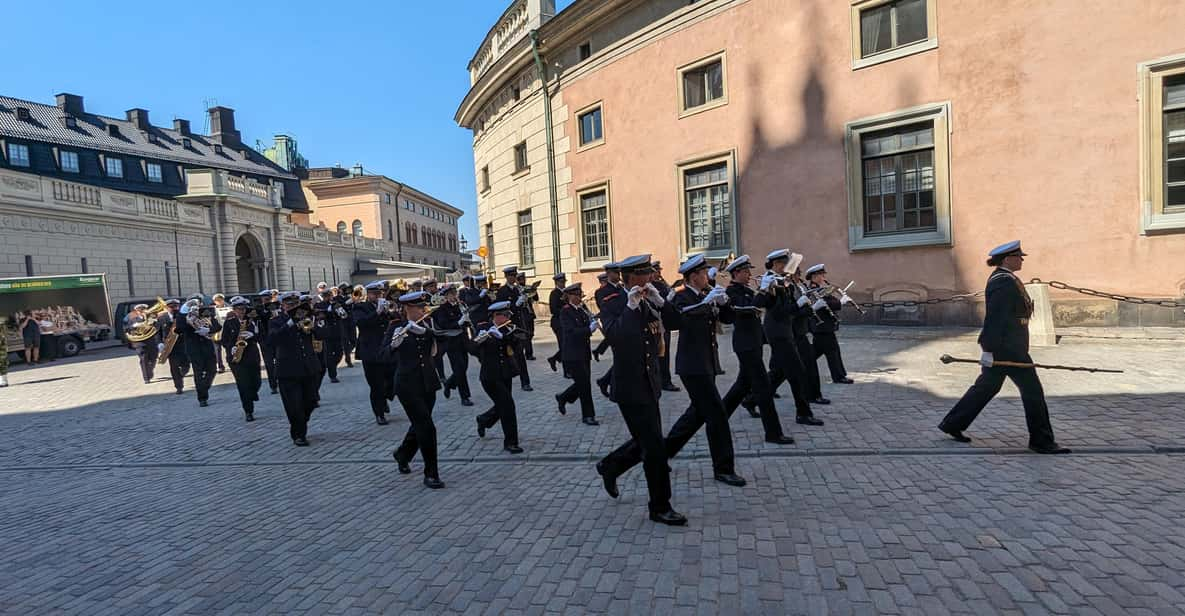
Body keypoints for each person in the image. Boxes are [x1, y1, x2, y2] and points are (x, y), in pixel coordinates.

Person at [939, 241, 1071, 454]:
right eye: (1019, 256)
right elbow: (995, 319)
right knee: (1033, 392)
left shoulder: (1007, 279)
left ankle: (953, 424)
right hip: (1008, 349)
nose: (1022, 260)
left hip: (1009, 346)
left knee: (986, 388)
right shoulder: (1003, 282)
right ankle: (1041, 441)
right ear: (1008, 259)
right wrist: (988, 349)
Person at [595, 254, 687, 526]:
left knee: (648, 441)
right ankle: (660, 506)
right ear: (632, 277)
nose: (652, 278)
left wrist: (661, 303)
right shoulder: (612, 301)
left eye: (651, 274)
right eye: (646, 274)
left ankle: (611, 465)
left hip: (650, 382)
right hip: (630, 386)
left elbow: (676, 323)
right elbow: (617, 338)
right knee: (654, 448)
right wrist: (631, 307)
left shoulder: (649, 296)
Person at [660, 254, 745, 486]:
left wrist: (723, 302)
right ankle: (724, 468)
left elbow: (728, 319)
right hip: (692, 367)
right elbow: (682, 320)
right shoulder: (682, 298)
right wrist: (707, 301)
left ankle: (662, 454)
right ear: (693, 276)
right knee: (717, 415)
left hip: (707, 364)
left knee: (696, 416)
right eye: (703, 273)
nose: (708, 277)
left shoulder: (706, 294)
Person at [720, 255, 797, 444]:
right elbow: (749, 307)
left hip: (753, 343)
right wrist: (762, 290)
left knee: (741, 386)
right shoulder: (731, 292)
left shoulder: (745, 289)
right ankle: (773, 433)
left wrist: (776, 289)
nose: (749, 275)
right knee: (763, 390)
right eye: (746, 272)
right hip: (745, 345)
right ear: (736, 273)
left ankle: (718, 418)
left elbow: (765, 305)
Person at [385, 291, 446, 488]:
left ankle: (402, 453)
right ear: (408, 309)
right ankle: (431, 473)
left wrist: (427, 333)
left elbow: (444, 343)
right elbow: (382, 355)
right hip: (407, 384)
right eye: (420, 307)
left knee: (420, 424)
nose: (423, 310)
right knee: (427, 427)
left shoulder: (428, 324)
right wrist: (394, 345)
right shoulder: (396, 326)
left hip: (428, 381)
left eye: (424, 307)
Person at [761, 250, 823, 426]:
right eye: (785, 263)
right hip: (778, 332)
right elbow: (780, 311)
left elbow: (788, 309)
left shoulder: (783, 280)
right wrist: (798, 304)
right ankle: (803, 413)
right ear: (776, 264)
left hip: (786, 330)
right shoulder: (771, 280)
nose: (789, 268)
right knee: (797, 372)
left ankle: (750, 399)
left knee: (781, 371)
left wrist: (802, 304)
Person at [268, 293, 325, 446]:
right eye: (289, 305)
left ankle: (301, 423)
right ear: (282, 306)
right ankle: (298, 434)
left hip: (308, 367)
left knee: (311, 401)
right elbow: (273, 339)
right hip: (288, 369)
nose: (292, 307)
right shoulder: (276, 321)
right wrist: (290, 324)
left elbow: (320, 335)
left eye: (295, 304)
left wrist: (314, 325)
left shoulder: (306, 318)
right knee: (294, 405)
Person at [471, 301, 524, 454]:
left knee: (503, 405)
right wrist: (479, 341)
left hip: (506, 373)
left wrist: (502, 337)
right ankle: (511, 442)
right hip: (490, 376)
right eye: (505, 315)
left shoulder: (510, 328)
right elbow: (472, 349)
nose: (508, 318)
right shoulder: (483, 328)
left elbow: (517, 346)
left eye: (508, 315)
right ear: (496, 316)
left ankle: (484, 420)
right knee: (508, 406)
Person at [555, 282, 599, 425]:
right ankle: (588, 415)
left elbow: (585, 325)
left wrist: (593, 322)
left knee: (583, 383)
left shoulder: (581, 310)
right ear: (570, 296)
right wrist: (589, 329)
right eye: (578, 295)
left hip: (584, 352)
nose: (580, 298)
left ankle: (563, 397)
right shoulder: (565, 312)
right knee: (585, 385)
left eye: (580, 295)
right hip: (573, 354)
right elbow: (571, 332)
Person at [804, 264, 854, 385]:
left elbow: (830, 301)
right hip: (821, 327)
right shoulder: (813, 290)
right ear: (814, 276)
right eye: (821, 274)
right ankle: (838, 376)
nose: (824, 276)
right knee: (832, 351)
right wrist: (841, 302)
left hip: (824, 326)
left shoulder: (821, 288)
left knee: (819, 351)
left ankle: (800, 365)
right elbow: (828, 304)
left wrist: (840, 299)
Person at [353, 281, 395, 425]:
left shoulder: (385, 306)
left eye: (380, 294)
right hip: (370, 351)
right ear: (368, 294)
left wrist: (389, 313)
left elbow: (394, 321)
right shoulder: (360, 307)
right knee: (376, 385)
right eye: (375, 294)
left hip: (386, 349)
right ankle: (379, 414)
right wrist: (376, 312)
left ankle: (385, 397)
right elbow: (361, 323)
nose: (378, 296)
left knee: (392, 379)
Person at [221, 296, 262, 421]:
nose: (242, 311)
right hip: (236, 359)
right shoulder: (229, 322)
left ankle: (252, 393)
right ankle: (248, 411)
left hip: (252, 356)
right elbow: (224, 340)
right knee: (243, 384)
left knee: (257, 381)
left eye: (243, 309)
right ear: (234, 310)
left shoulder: (252, 320)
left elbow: (262, 336)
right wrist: (231, 348)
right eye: (239, 309)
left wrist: (253, 335)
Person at [176, 295, 221, 407]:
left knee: (212, 370)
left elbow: (217, 326)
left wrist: (208, 329)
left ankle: (203, 388)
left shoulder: (206, 313)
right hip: (193, 347)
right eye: (192, 304)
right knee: (198, 372)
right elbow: (180, 328)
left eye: (197, 303)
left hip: (207, 346)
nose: (195, 306)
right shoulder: (183, 316)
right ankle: (202, 398)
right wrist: (184, 312)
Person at [435, 286, 474, 406]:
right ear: (446, 296)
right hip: (451, 343)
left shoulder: (460, 306)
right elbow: (444, 324)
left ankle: (449, 384)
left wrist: (467, 320)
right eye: (451, 294)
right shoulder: (442, 309)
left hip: (463, 340)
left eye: (454, 293)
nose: (454, 296)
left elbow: (466, 322)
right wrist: (459, 322)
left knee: (464, 367)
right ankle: (465, 396)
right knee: (459, 369)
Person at [495, 266, 532, 391]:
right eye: (511, 276)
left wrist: (524, 301)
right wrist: (515, 305)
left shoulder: (518, 290)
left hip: (518, 326)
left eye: (514, 276)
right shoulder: (502, 291)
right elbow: (501, 312)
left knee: (520, 356)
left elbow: (522, 309)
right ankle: (505, 380)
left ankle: (525, 382)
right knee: (507, 356)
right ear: (506, 277)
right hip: (507, 327)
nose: (513, 278)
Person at [593, 262, 624, 397]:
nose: (618, 275)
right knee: (621, 359)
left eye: (619, 272)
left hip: (624, 327)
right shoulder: (601, 292)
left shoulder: (622, 288)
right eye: (615, 273)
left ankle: (605, 381)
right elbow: (607, 309)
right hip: (612, 328)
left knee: (622, 359)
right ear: (609, 274)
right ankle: (609, 384)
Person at [650, 262, 680, 392]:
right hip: (655, 324)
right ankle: (658, 381)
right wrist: (667, 298)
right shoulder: (650, 287)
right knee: (655, 355)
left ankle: (666, 381)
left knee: (665, 354)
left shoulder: (662, 284)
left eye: (659, 270)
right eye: (656, 271)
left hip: (664, 324)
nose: (659, 273)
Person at [157, 299, 190, 394]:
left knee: (186, 365)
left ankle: (181, 375)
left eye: (176, 307)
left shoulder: (182, 317)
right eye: (172, 307)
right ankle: (179, 386)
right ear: (167, 308)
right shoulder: (161, 318)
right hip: (170, 347)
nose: (174, 309)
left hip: (183, 344)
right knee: (174, 367)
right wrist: (159, 343)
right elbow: (158, 332)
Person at [125, 304, 158, 384]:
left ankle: (150, 369)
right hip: (140, 342)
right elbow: (127, 328)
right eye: (140, 310)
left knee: (153, 358)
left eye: (143, 309)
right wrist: (134, 326)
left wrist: (153, 322)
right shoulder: (132, 318)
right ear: (137, 311)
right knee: (143, 359)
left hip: (150, 341)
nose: (142, 311)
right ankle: (146, 378)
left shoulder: (151, 317)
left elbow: (156, 327)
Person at [316, 291, 345, 384]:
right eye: (326, 296)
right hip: (327, 333)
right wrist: (328, 311)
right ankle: (333, 375)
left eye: (329, 296)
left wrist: (338, 309)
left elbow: (343, 315)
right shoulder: (319, 305)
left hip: (337, 332)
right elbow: (319, 315)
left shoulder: (336, 304)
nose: (328, 298)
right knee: (329, 355)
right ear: (323, 297)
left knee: (339, 353)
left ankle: (331, 366)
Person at [256, 290, 281, 395]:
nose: (266, 300)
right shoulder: (258, 309)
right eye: (264, 298)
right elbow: (261, 318)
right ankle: (273, 385)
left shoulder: (277, 306)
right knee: (269, 364)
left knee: (280, 361)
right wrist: (268, 311)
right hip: (265, 340)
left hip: (277, 338)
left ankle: (282, 380)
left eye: (268, 298)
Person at [545, 272, 567, 374]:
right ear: (556, 283)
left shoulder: (567, 292)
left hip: (567, 322)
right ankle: (566, 371)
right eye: (561, 282)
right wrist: (566, 309)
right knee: (563, 346)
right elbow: (553, 310)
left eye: (564, 282)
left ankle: (553, 359)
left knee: (567, 346)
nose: (563, 284)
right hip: (558, 323)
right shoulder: (554, 293)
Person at [517, 271, 538, 360]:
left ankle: (526, 350)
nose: (523, 280)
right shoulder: (516, 289)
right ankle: (528, 353)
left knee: (531, 333)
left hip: (529, 313)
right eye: (521, 279)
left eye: (524, 279)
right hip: (522, 313)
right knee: (526, 333)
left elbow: (536, 298)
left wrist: (534, 290)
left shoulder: (528, 287)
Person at [339, 283, 358, 367]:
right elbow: (337, 308)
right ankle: (348, 358)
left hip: (351, 321)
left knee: (354, 340)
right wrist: (345, 303)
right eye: (345, 289)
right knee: (346, 341)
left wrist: (354, 301)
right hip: (342, 322)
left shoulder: (349, 297)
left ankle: (347, 352)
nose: (347, 291)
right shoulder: (337, 298)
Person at [211, 293, 230, 374]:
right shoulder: (212, 310)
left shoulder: (229, 308)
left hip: (227, 331)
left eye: (220, 300)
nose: (219, 302)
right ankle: (220, 366)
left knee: (228, 349)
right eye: (217, 300)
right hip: (216, 332)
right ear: (214, 301)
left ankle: (231, 362)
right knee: (217, 350)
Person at [0, 318, 10, 387]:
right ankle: (4, 381)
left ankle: (3, 381)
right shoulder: (2, 324)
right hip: (3, 349)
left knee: (2, 365)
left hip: (1, 349)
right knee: (3, 365)